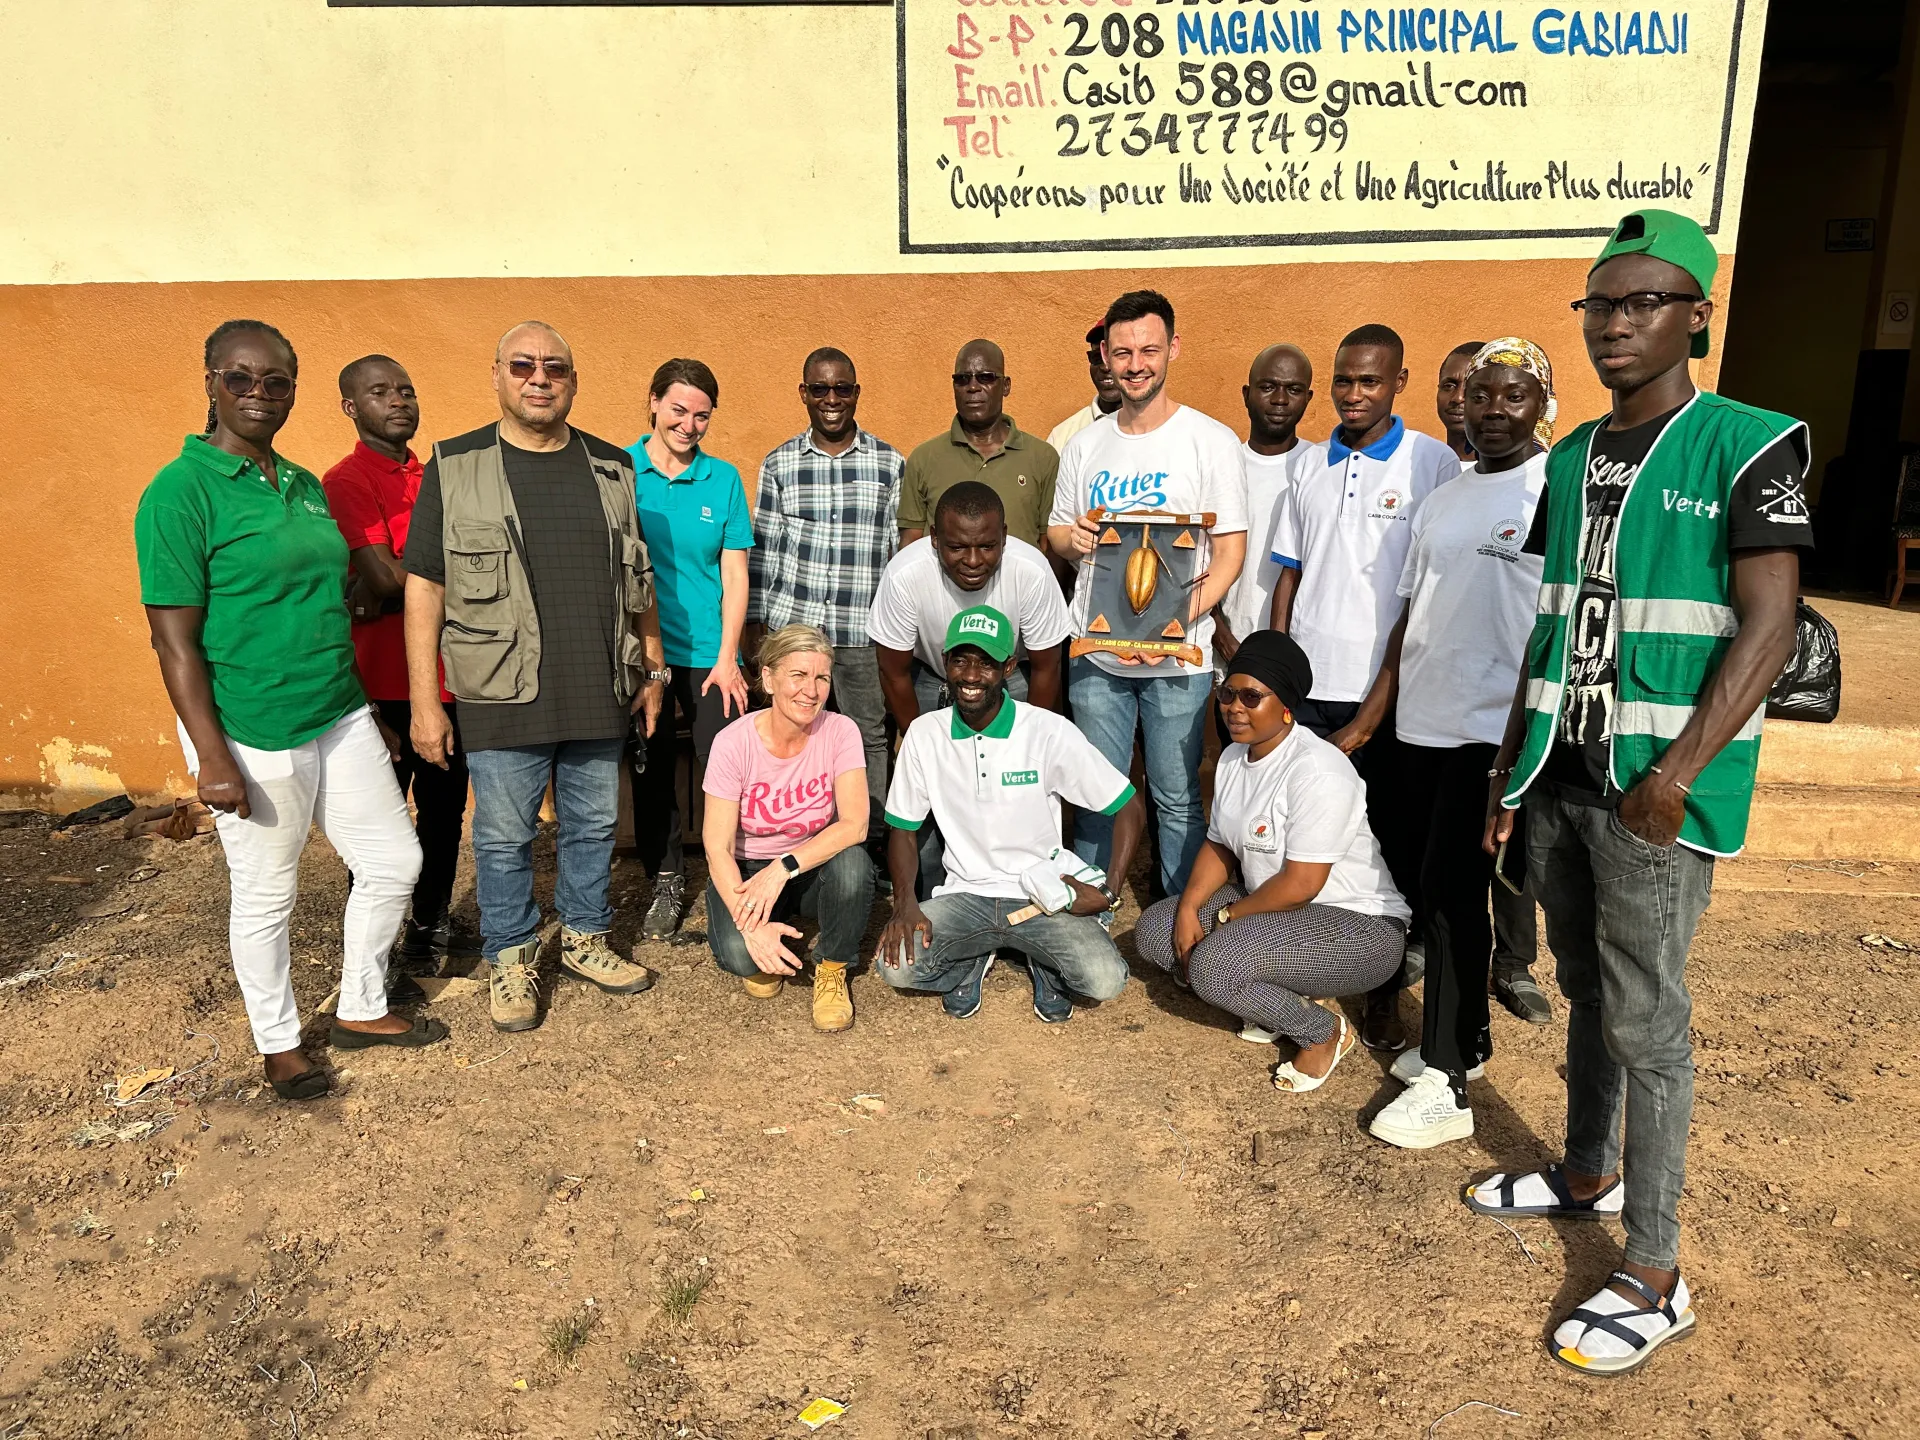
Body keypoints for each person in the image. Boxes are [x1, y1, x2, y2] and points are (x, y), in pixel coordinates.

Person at [1476, 210, 1810, 1375]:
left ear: (1696, 315)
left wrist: (1677, 774)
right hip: (1561, 773)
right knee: (1584, 988)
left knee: (1650, 1021)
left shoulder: (1747, 441)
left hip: (1653, 789)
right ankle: (1583, 1167)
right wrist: (1514, 773)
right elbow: (1557, 622)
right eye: (1601, 306)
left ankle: (1656, 1268)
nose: (1616, 326)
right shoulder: (1570, 457)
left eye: (1643, 303)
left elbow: (1769, 628)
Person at [136, 320, 447, 1101]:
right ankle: (279, 1043)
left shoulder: (302, 484)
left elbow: (331, 603)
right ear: (210, 380)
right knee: (268, 892)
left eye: (276, 381)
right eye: (241, 378)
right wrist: (210, 755)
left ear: (294, 391)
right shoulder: (180, 493)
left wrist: (363, 708)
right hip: (251, 724)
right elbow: (174, 644)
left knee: (393, 861)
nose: (258, 395)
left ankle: (364, 1005)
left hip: (337, 709)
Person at [403, 321, 667, 1033]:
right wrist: (427, 703)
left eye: (555, 367)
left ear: (573, 382)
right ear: (497, 375)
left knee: (592, 827)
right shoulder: (454, 465)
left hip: (596, 684)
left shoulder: (612, 467)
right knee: (502, 836)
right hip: (498, 689)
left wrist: (653, 667)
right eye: (523, 366)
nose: (539, 378)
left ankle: (584, 937)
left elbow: (638, 580)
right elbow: (425, 587)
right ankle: (512, 954)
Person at [1356, 338, 1556, 1150]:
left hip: (1490, 737)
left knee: (1448, 900)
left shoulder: (1556, 493)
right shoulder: (1446, 496)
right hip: (1420, 731)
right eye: (1481, 396)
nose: (1494, 412)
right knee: (1425, 888)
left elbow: (1554, 630)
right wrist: (1376, 719)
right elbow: (1414, 614)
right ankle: (1466, 1041)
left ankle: (1445, 1082)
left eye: (1513, 396)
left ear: (1541, 401)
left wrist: (1516, 754)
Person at [1268, 323, 1459, 1050]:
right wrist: (1284, 674)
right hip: (1310, 692)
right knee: (1310, 834)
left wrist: (1381, 699)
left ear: (1398, 384)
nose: (1354, 394)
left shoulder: (1431, 463)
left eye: (1370, 381)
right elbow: (1290, 571)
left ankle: (1382, 992)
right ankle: (1300, 969)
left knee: (1388, 842)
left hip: (1388, 691)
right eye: (1344, 379)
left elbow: (1423, 597)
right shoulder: (1309, 464)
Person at [1137, 630, 1409, 1091]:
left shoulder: (1317, 769)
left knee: (1215, 964)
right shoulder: (1232, 758)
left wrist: (1226, 917)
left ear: (1285, 704)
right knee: (1155, 934)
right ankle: (1267, 997)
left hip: (1360, 926)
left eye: (1251, 696)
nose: (1234, 707)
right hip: (1273, 910)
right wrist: (1187, 909)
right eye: (1227, 693)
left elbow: (1303, 883)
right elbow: (1220, 845)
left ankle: (1322, 1033)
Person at [1047, 290, 1248, 897]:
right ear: (1106, 355)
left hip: (1178, 657)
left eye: (1149, 350)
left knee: (1177, 794)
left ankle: (1176, 920)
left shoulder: (1209, 441)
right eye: (1124, 352)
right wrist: (1073, 536)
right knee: (1096, 791)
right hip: (1098, 656)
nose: (1136, 364)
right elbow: (1057, 532)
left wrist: (1169, 620)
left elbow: (1229, 553)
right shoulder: (1084, 444)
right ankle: (1094, 909)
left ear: (1173, 350)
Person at [877, 606, 1145, 1022]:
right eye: (960, 660)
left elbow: (1127, 804)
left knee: (1104, 980)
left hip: (1042, 897)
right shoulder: (924, 734)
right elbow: (902, 830)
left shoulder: (1046, 730)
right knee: (895, 969)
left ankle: (1040, 959)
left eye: (986, 663)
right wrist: (906, 904)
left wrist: (1109, 891)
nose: (970, 675)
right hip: (965, 894)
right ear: (945, 662)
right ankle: (974, 957)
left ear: (1008, 667)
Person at [322, 355, 475, 983]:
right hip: (381, 684)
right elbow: (383, 575)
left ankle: (432, 920)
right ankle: (375, 942)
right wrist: (402, 579)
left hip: (450, 678)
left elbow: (390, 580)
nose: (399, 402)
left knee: (443, 813)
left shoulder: (440, 473)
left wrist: (391, 582)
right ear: (351, 408)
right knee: (379, 823)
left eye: (406, 391)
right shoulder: (347, 479)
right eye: (380, 393)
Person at [869, 480, 1073, 894]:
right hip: (929, 676)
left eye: (987, 547)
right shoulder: (905, 574)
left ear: (1005, 536)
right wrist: (920, 738)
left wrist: (1029, 738)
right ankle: (929, 892)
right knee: (930, 786)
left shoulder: (1031, 569)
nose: (974, 560)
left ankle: (1021, 885)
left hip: (1011, 676)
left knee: (1013, 785)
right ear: (933, 539)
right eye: (957, 547)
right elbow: (892, 670)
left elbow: (1049, 666)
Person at [748, 347, 903, 873]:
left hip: (861, 633)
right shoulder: (779, 464)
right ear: (804, 394)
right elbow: (763, 552)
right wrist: (756, 630)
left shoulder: (889, 464)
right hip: (795, 635)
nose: (831, 399)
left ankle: (871, 841)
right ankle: (791, 838)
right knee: (792, 733)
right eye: (820, 389)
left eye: (842, 389)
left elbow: (896, 555)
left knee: (867, 736)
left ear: (856, 393)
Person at [626, 358, 754, 940]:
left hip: (708, 649)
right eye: (679, 410)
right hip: (641, 649)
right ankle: (667, 879)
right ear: (653, 402)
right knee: (651, 766)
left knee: (721, 763)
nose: (690, 425)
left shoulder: (723, 478)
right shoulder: (620, 470)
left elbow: (735, 574)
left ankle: (732, 874)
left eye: (702, 416)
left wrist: (729, 657)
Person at [700, 624, 874, 1032]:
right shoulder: (733, 743)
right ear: (769, 678)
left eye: (821, 678)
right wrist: (750, 927)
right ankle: (765, 940)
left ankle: (832, 967)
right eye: (798, 675)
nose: (810, 691)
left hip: (805, 863)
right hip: (746, 868)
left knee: (854, 865)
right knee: (739, 956)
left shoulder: (840, 731)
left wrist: (782, 868)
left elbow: (856, 823)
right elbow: (717, 847)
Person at [1215, 344, 1322, 677]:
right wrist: (1226, 642)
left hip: (1298, 659)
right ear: (1247, 394)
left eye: (1293, 389)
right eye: (1267, 387)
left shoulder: (1320, 467)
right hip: (1224, 653)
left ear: (1308, 397)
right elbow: (1194, 562)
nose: (1280, 399)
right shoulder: (1221, 466)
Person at [898, 339, 1059, 550]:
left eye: (986, 378)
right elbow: (910, 545)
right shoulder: (924, 458)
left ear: (1006, 386)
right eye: (962, 379)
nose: (973, 387)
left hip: (1019, 583)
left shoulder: (1042, 458)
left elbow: (1050, 544)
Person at [1046, 321, 1125, 452]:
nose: (1105, 367)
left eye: (1116, 356)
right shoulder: (1062, 436)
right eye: (1096, 357)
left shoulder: (1163, 428)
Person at [1435, 341, 1484, 462]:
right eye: (1449, 386)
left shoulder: (1517, 474)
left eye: (1472, 388)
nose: (1458, 398)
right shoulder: (1420, 466)